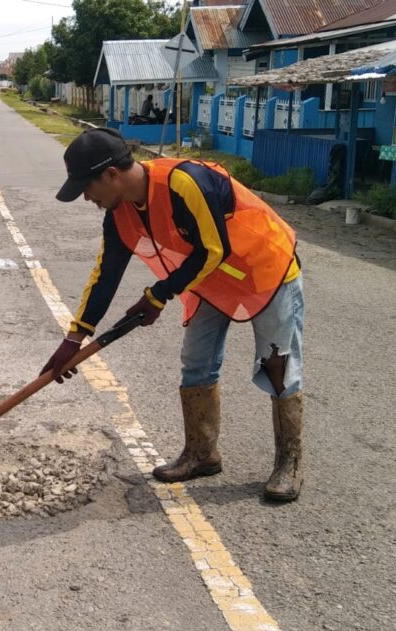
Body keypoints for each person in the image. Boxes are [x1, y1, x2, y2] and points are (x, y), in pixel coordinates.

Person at [42, 128, 306, 501]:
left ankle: (289, 464)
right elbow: (106, 276)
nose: (87, 197)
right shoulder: (119, 215)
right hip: (211, 283)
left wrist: (157, 295)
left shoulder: (184, 183)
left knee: (276, 366)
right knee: (196, 362)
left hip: (266, 271)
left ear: (111, 175)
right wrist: (74, 338)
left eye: (87, 187)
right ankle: (201, 454)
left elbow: (213, 249)